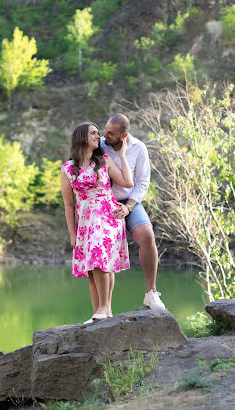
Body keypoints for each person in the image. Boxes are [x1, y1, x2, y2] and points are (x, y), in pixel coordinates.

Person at [61, 122, 133, 324]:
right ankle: (100, 314)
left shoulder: (104, 161)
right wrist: (73, 235)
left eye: (98, 133)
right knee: (92, 270)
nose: (97, 136)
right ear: (81, 137)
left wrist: (123, 156)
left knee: (100, 257)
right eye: (93, 133)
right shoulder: (67, 169)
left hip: (108, 215)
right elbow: (68, 205)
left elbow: (127, 182)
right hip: (85, 220)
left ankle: (104, 307)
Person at [101, 113, 167, 311]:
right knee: (103, 250)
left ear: (124, 135)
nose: (105, 135)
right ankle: (105, 308)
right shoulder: (100, 145)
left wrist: (128, 206)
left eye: (111, 133)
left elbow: (143, 182)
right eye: (105, 130)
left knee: (147, 235)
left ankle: (151, 293)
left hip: (130, 202)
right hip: (105, 203)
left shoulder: (138, 147)